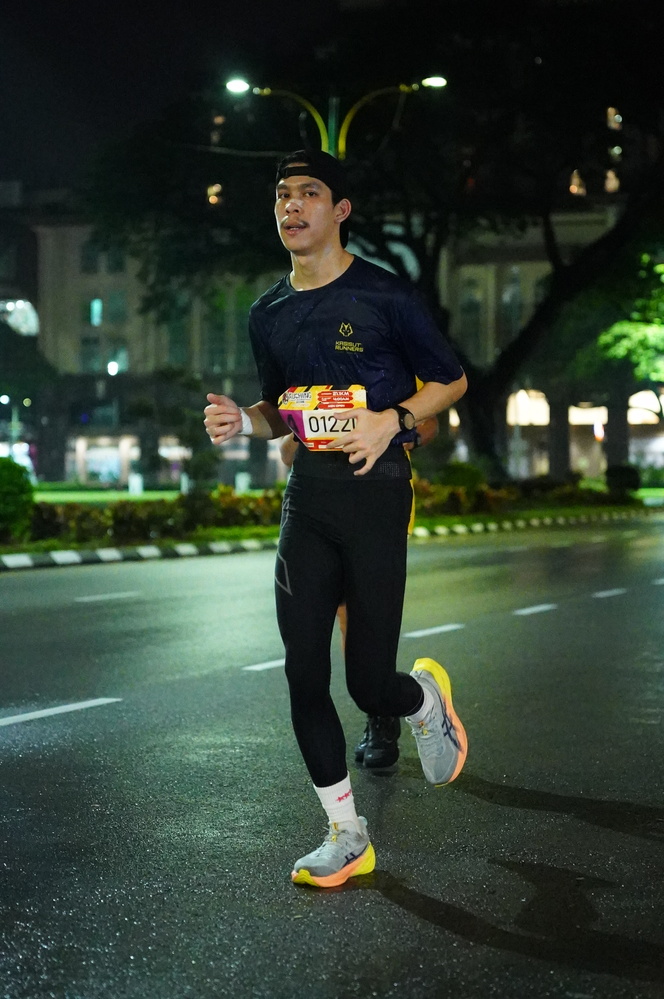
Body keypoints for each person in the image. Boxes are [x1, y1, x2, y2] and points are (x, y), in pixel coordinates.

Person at [204, 148, 468, 889]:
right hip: (309, 498)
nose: (291, 206)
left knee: (369, 685)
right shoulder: (268, 312)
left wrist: (395, 419)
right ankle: (346, 833)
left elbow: (451, 379)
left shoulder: (385, 295)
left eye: (309, 193)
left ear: (341, 209)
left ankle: (420, 700)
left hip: (377, 492)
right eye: (282, 195)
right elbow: (278, 409)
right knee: (302, 670)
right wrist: (241, 420)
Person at [279, 413, 439, 772]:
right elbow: (286, 453)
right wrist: (301, 435)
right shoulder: (308, 385)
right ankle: (374, 711)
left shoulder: (383, 379)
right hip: (318, 503)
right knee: (334, 615)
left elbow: (429, 420)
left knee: (361, 612)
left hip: (378, 498)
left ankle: (382, 711)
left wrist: (403, 433)